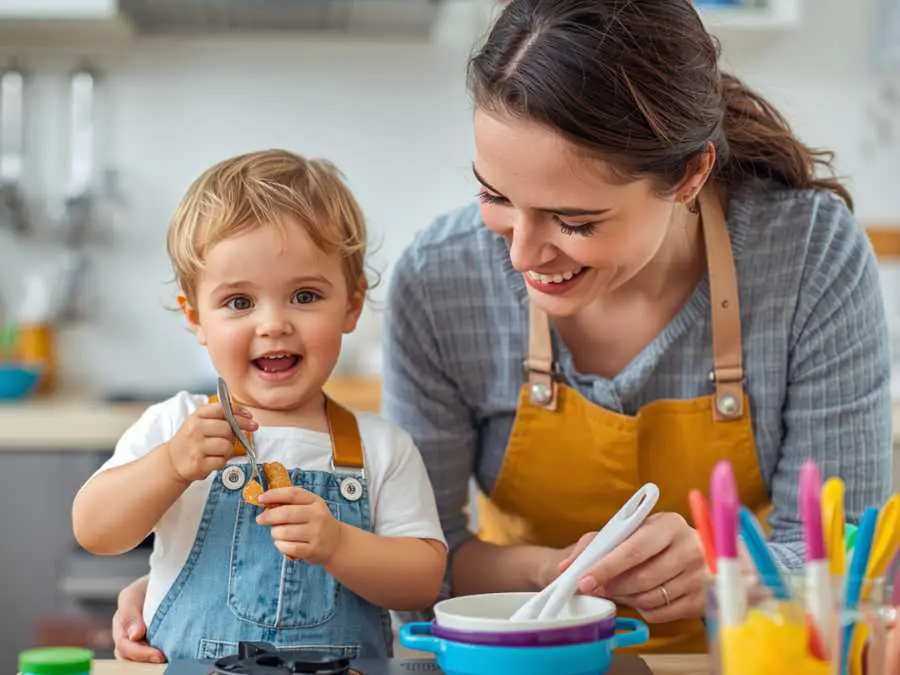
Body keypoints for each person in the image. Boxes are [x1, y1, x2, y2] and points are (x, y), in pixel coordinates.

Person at [111, 0, 893, 659]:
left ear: (689, 175)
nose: (521, 253)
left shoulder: (809, 259)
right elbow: (425, 558)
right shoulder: (445, 279)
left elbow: (856, 557)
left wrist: (730, 570)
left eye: (575, 221)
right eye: (495, 197)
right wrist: (201, 573)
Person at [73, 149, 447, 663]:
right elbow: (94, 530)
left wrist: (339, 544)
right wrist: (170, 465)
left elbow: (422, 583)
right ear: (196, 317)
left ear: (352, 306)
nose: (273, 324)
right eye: (239, 302)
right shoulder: (173, 426)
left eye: (305, 296)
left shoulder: (382, 447)